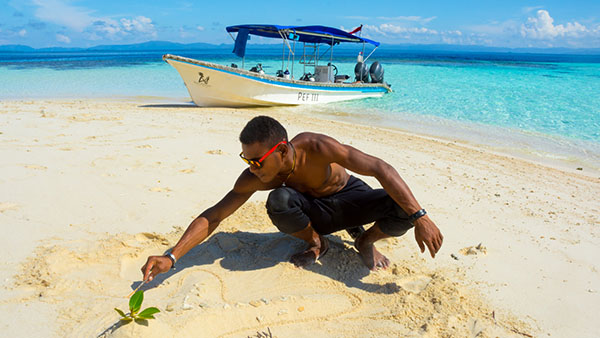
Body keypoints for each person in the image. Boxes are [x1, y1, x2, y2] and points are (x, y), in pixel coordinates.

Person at [142, 116, 443, 281]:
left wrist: (422, 217)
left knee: (403, 209)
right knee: (279, 200)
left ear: (283, 150)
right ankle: (318, 243)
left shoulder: (317, 147)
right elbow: (215, 215)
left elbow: (381, 168)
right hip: (317, 214)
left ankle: (365, 241)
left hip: (350, 199)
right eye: (247, 160)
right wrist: (172, 256)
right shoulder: (259, 177)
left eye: (257, 160)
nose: (251, 167)